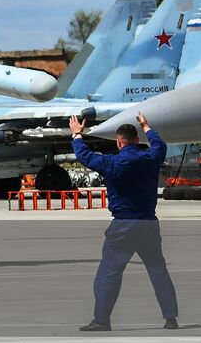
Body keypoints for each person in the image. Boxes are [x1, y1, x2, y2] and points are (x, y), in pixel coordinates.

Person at [69, 111, 178, 331]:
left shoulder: (112, 163)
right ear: (137, 141)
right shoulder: (151, 157)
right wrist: (147, 126)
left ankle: (101, 320)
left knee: (109, 272)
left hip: (123, 225)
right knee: (158, 270)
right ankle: (171, 318)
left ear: (119, 143)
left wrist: (77, 135)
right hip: (149, 223)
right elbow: (159, 144)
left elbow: (85, 156)